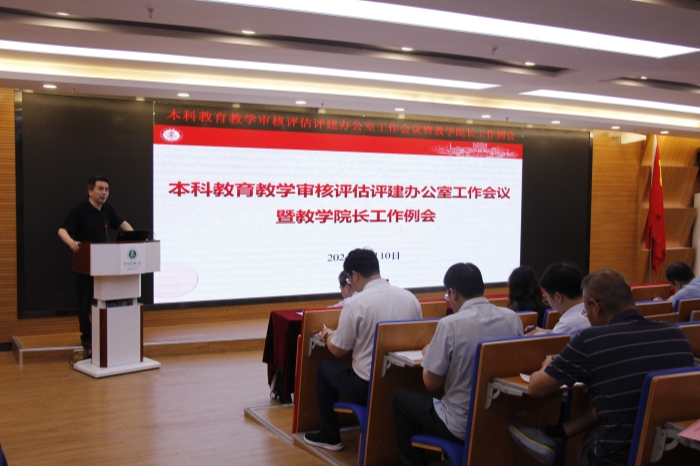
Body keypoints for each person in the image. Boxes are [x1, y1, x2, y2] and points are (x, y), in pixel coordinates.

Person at [509, 269, 695, 466]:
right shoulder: (677, 335)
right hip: (674, 453)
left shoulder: (591, 340)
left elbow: (536, 388)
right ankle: (556, 433)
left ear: (595, 306)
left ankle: (554, 435)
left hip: (613, 456)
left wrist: (547, 364)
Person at [392, 262, 524, 466]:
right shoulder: (512, 318)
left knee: (401, 398)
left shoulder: (450, 324)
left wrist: (429, 354)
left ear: (453, 293)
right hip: (500, 417)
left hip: (461, 423)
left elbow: (430, 382)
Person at [304, 248, 422, 451]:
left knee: (324, 368)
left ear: (355, 275)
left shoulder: (355, 304)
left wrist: (328, 335)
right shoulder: (410, 298)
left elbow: (338, 350)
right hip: (405, 382)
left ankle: (330, 436)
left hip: (367, 386)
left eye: (349, 279)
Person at [58, 176, 133, 355]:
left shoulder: (108, 209)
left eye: (107, 189)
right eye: (100, 189)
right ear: (90, 191)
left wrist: (134, 236)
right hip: (86, 263)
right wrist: (71, 243)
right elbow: (62, 230)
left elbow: (123, 224)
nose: (104, 193)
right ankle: (87, 339)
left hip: (106, 264)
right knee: (85, 303)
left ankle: (107, 336)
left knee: (108, 299)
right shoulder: (79, 210)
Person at [525, 263, 590, 339]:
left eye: (547, 299)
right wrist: (548, 332)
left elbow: (557, 341)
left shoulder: (567, 324)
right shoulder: (594, 313)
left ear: (558, 297)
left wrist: (538, 335)